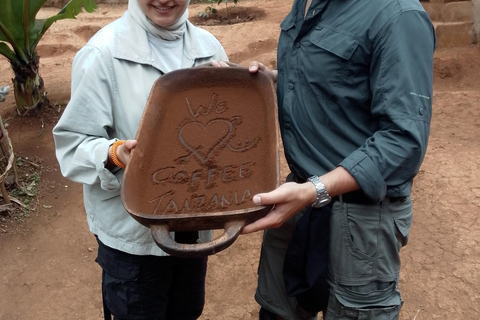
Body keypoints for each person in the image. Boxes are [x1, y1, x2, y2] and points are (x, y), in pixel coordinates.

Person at [237, 0, 436, 319]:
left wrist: (315, 190)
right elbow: (338, 80)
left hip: (361, 219)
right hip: (299, 199)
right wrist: (271, 78)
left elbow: (404, 140)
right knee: (276, 311)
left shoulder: (398, 15)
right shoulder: (306, 3)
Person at [52, 0, 228, 319]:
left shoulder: (211, 48)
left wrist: (241, 93)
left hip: (192, 229)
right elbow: (72, 145)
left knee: (186, 310)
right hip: (133, 241)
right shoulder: (101, 54)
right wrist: (115, 154)